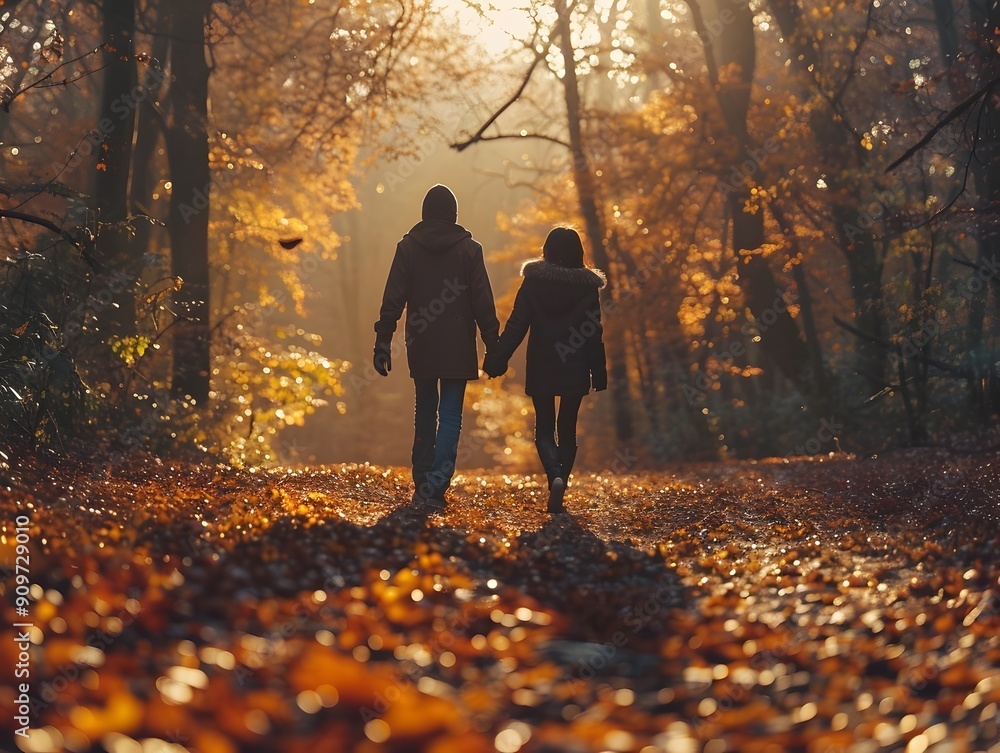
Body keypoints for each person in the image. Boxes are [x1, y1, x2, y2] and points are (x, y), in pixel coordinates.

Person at [373, 184, 500, 508]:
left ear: (424, 214)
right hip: (457, 343)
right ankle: (437, 483)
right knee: (451, 416)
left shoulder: (408, 248)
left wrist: (383, 341)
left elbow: (393, 299)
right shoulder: (470, 250)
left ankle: (422, 478)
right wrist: (492, 343)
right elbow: (482, 301)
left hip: (422, 339)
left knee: (425, 411)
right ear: (454, 215)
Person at [483, 227, 607, 513]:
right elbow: (593, 332)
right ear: (579, 253)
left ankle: (554, 476)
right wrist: (598, 372)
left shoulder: (534, 282)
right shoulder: (587, 287)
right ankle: (562, 477)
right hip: (574, 365)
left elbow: (517, 325)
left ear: (547, 250)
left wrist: (496, 359)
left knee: (544, 428)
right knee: (567, 428)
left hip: (542, 363)